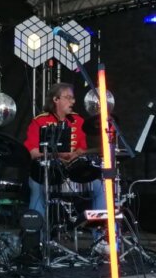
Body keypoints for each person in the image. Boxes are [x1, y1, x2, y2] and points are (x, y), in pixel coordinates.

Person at [24, 82, 107, 224]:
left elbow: (81, 149)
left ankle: (101, 234)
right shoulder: (39, 121)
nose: (73, 101)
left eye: (73, 98)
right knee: (37, 187)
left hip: (72, 172)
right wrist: (57, 155)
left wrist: (77, 154)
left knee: (99, 187)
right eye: (68, 97)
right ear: (56, 99)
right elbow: (32, 153)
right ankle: (36, 233)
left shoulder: (78, 121)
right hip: (47, 173)